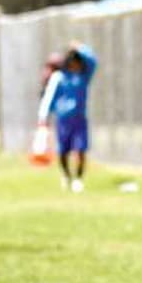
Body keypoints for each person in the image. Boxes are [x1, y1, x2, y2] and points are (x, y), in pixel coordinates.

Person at [37, 40, 98, 192]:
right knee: (63, 151)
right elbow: (49, 97)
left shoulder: (83, 77)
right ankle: (66, 175)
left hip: (79, 118)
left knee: (80, 149)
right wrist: (43, 117)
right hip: (63, 119)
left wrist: (81, 48)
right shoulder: (59, 77)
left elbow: (93, 61)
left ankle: (78, 179)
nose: (76, 66)